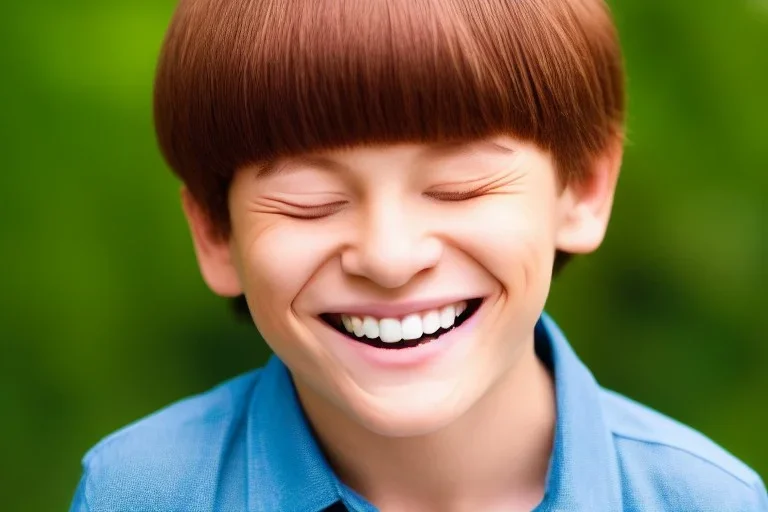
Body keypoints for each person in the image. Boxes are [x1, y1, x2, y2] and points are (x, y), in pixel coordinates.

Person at [69, 0, 767, 510]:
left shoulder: (702, 500)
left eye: (458, 188)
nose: (390, 257)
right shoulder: (140, 490)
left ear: (581, 189)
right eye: (311, 201)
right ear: (216, 235)